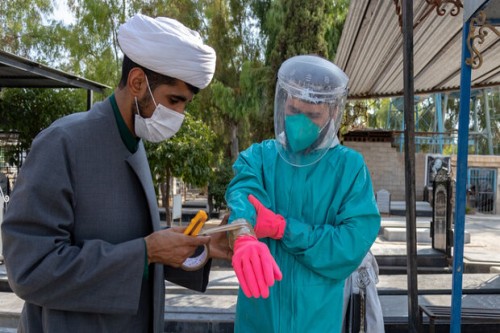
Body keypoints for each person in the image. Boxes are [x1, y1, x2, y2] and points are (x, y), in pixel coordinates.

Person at [1, 14, 230, 333]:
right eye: (174, 100)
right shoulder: (63, 143)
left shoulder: (133, 143)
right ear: (138, 82)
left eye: (184, 105)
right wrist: (146, 252)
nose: (179, 115)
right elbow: (30, 269)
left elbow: (133, 248)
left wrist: (201, 248)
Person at [224, 54, 381, 332]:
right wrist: (244, 235)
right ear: (283, 102)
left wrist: (284, 229)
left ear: (333, 112)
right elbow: (243, 195)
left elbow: (350, 245)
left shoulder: (349, 169)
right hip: (258, 317)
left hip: (317, 320)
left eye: (312, 115)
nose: (299, 122)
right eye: (294, 111)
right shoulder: (260, 158)